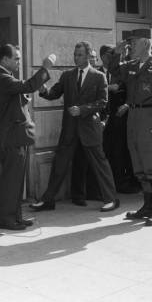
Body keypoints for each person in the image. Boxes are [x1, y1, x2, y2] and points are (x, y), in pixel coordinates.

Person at [30, 42, 119, 212]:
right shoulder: (67, 76)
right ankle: (48, 200)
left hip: (89, 128)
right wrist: (42, 89)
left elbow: (103, 102)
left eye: (79, 54)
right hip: (70, 128)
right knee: (59, 164)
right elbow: (52, 94)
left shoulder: (99, 76)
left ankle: (111, 199)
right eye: (75, 54)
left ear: (87, 56)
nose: (76, 57)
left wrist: (83, 109)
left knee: (100, 164)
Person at [110, 28, 152, 226]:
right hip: (133, 116)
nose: (130, 45)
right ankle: (147, 205)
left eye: (134, 42)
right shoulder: (131, 66)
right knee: (139, 162)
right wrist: (117, 52)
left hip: (150, 116)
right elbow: (114, 71)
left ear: (146, 43)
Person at [0, 45, 55, 230]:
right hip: (12, 137)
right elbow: (27, 85)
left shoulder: (7, 77)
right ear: (5, 59)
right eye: (16, 58)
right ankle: (7, 219)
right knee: (11, 181)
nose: (19, 62)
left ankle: (16, 217)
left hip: (18, 137)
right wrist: (45, 68)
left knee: (17, 181)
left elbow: (22, 93)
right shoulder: (1, 77)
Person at [99, 45, 139, 194]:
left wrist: (127, 104)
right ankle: (113, 183)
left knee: (122, 151)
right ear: (103, 56)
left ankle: (125, 181)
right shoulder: (99, 72)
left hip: (122, 116)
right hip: (106, 118)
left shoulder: (126, 70)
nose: (116, 56)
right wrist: (108, 88)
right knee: (110, 151)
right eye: (112, 54)